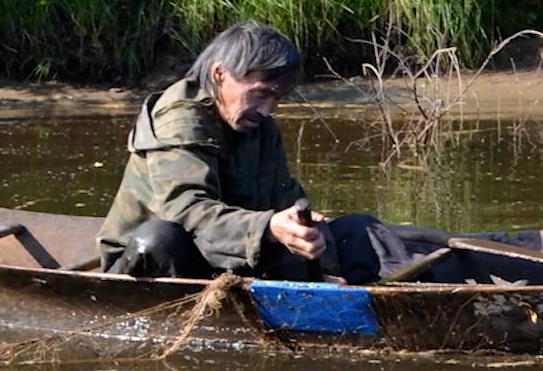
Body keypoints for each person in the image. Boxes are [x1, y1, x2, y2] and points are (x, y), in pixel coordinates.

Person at [96, 21, 410, 283]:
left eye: (277, 99)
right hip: (150, 262)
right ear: (220, 75)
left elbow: (281, 202)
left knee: (354, 230)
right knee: (160, 238)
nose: (266, 109)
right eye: (259, 94)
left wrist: (318, 262)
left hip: (226, 256)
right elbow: (188, 213)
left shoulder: (259, 126)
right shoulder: (179, 119)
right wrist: (269, 227)